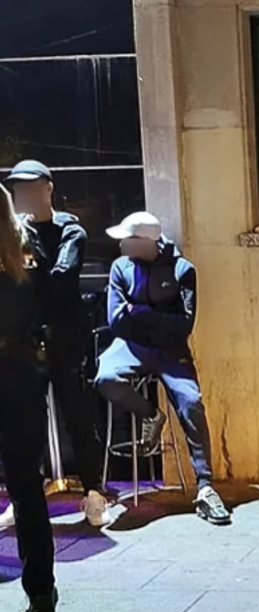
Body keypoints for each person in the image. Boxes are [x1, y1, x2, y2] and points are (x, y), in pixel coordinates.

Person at [94, 212, 231, 526]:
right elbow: (116, 321)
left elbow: (183, 325)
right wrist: (154, 316)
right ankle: (150, 415)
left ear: (144, 242)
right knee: (106, 378)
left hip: (170, 350)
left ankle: (206, 486)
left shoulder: (183, 270)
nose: (120, 244)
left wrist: (139, 310)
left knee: (192, 402)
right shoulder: (120, 268)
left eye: (126, 238)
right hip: (130, 345)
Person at [1, 160, 110, 529]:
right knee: (24, 423)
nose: (24, 195)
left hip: (62, 338)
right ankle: (26, 494)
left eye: (32, 187)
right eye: (18, 189)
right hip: (25, 344)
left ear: (48, 188)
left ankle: (94, 492)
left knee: (78, 416)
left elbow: (62, 280)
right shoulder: (14, 234)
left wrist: (27, 280)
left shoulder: (68, 231)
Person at [0, 184, 57, 612]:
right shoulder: (26, 243)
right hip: (21, 372)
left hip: (15, 369)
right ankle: (40, 589)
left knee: (24, 484)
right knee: (26, 485)